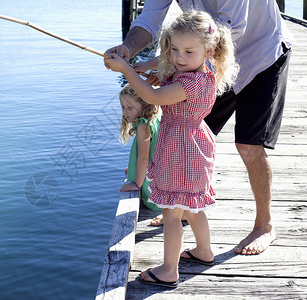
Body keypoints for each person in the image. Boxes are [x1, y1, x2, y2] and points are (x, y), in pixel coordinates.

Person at [105, 0, 292, 255]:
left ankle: (264, 225)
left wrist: (168, 64)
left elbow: (228, 32)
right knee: (187, 133)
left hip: (259, 54)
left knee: (249, 146)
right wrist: (128, 48)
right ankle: (183, 208)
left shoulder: (200, 65)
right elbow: (149, 21)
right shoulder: (191, 61)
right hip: (199, 59)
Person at [105, 10, 239, 288]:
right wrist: (146, 68)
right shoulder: (202, 68)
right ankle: (204, 251)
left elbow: (152, 97)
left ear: (209, 49)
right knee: (191, 205)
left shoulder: (190, 81)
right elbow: (167, 68)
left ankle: (169, 270)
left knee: (171, 212)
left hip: (181, 148)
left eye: (188, 51)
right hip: (192, 143)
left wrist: (128, 71)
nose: (179, 57)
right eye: (174, 48)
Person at [119, 84, 161, 211]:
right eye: (123, 107)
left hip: (151, 181)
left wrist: (137, 184)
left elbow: (143, 157)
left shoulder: (143, 126)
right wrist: (132, 167)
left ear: (146, 105)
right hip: (158, 172)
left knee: (148, 204)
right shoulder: (154, 118)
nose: (125, 112)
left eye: (130, 107)